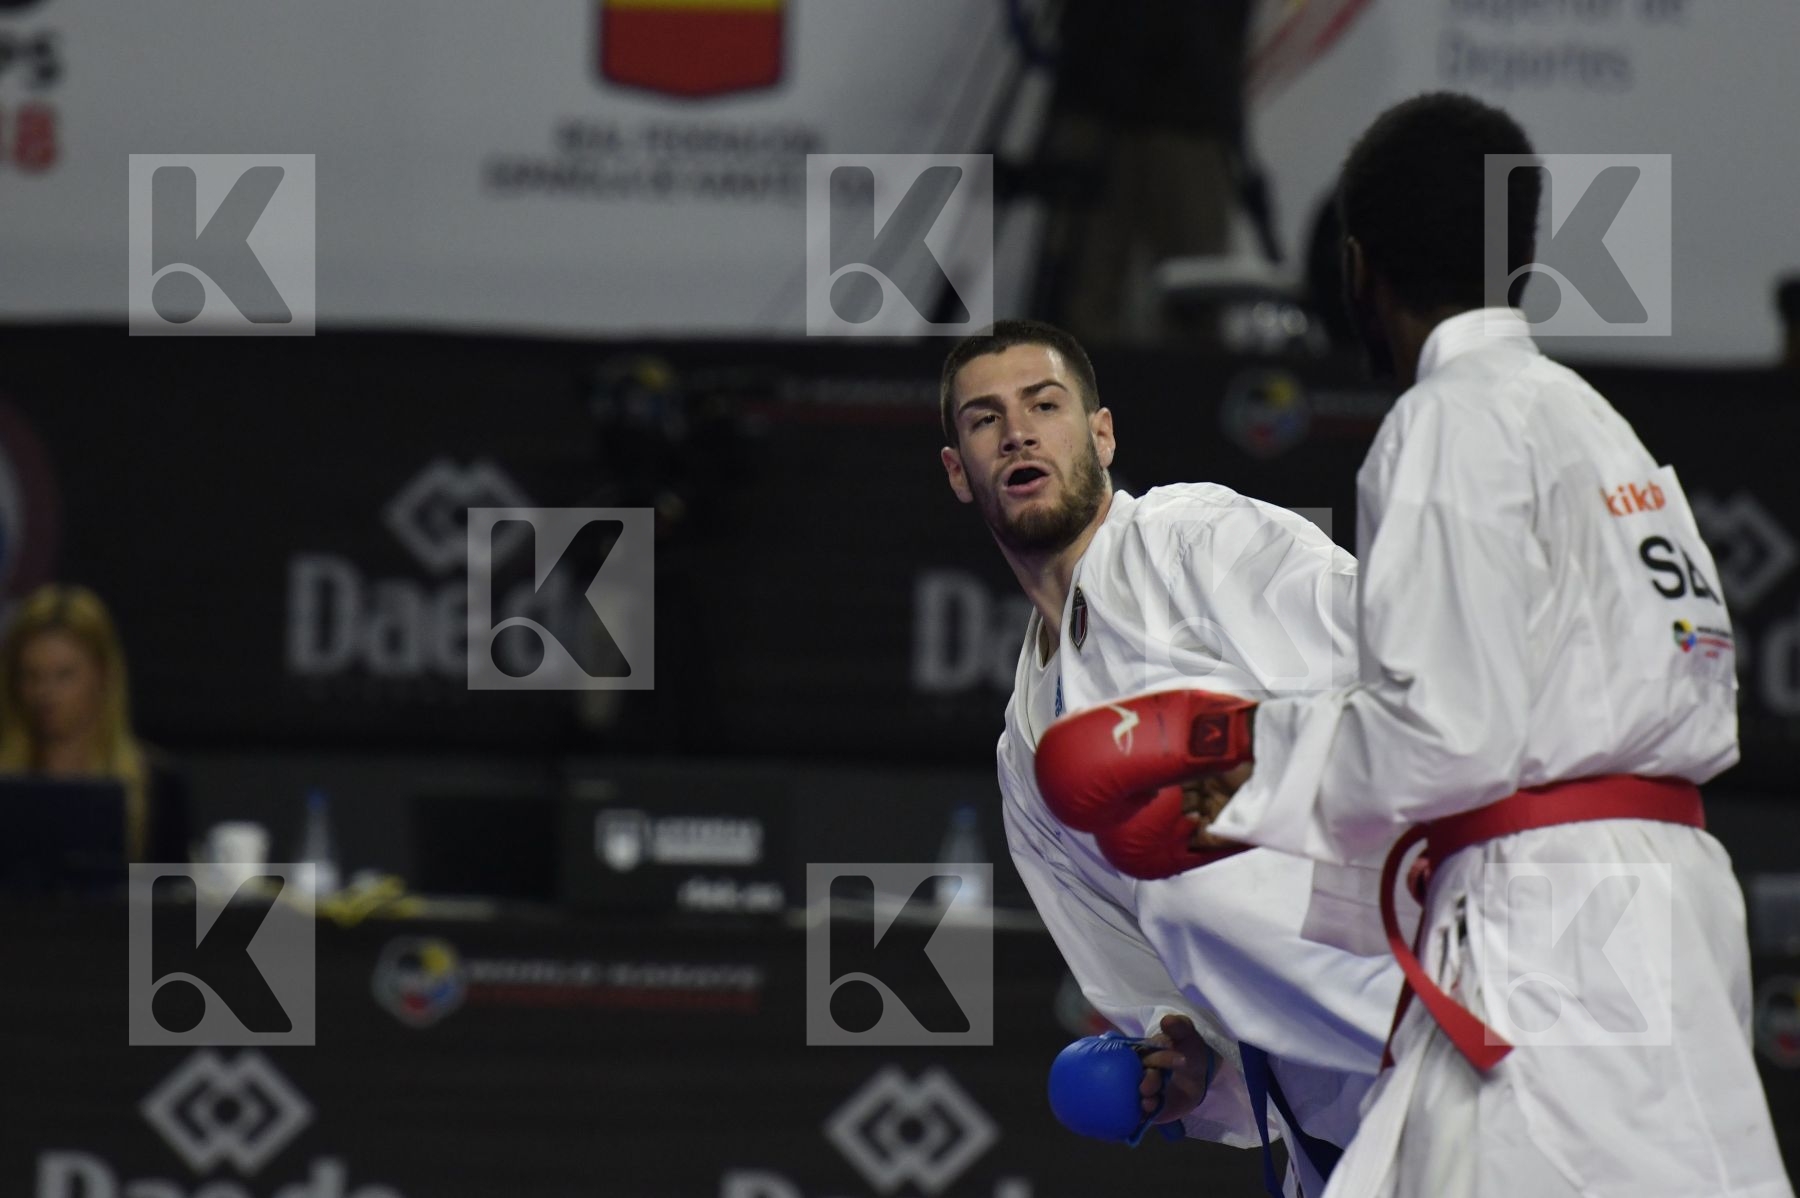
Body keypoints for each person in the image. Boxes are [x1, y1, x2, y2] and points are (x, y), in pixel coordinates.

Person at [1122, 93, 1794, 1196]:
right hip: (1661, 901)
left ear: (1356, 270)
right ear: (1522, 259)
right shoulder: (1596, 425)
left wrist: (1230, 767)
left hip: (1550, 923)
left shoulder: (1447, 421)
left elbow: (1445, 737)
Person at [938, 318, 1404, 1196]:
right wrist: (1187, 1071)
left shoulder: (1196, 543)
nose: (1021, 432)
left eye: (1045, 405)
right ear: (960, 472)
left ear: (1102, 434)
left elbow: (1412, 690)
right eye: (986, 420)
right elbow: (1163, 999)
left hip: (1435, 1017)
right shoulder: (1027, 756)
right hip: (1329, 1131)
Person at [0, 583, 189, 863]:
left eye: (64, 675)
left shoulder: (157, 787)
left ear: (101, 674)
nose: (45, 693)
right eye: (32, 675)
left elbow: (171, 899)